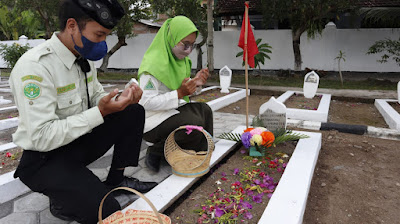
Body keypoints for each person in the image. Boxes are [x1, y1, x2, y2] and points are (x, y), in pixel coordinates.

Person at [9, 0, 157, 223]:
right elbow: (41, 136)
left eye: (106, 36)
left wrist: (120, 100)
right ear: (72, 26)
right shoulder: (36, 67)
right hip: (45, 158)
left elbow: (96, 97)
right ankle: (62, 195)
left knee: (132, 111)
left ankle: (115, 180)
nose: (102, 43)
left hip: (76, 142)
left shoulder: (82, 57)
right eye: (99, 35)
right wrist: (100, 112)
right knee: (107, 210)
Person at [137, 16, 213, 172]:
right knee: (194, 124)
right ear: (172, 38)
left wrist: (195, 83)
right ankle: (156, 151)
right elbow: (145, 103)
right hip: (152, 120)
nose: (189, 50)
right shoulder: (153, 64)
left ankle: (202, 152)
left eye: (192, 45)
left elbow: (181, 91)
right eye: (185, 44)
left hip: (171, 111)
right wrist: (178, 93)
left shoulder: (181, 61)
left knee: (205, 110)